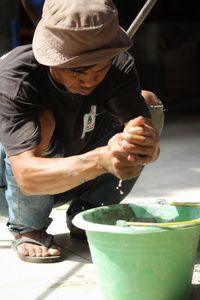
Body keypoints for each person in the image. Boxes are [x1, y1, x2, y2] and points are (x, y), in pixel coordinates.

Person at [0, 0, 164, 263]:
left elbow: (146, 141)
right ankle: (28, 227)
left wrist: (142, 145)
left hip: (71, 171)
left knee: (148, 108)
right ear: (50, 57)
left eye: (100, 69)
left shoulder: (119, 65)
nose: (89, 81)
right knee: (45, 123)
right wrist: (102, 158)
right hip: (10, 183)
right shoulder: (17, 76)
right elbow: (27, 177)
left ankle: (88, 212)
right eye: (77, 71)